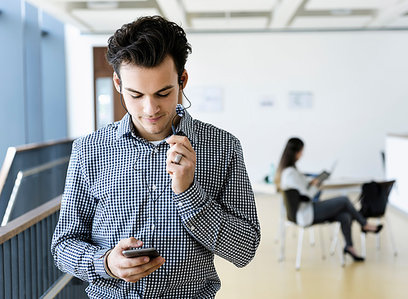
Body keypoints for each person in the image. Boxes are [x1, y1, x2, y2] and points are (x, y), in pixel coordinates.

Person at [51, 16, 260, 298]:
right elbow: (63, 245)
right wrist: (106, 263)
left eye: (163, 93)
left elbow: (245, 249)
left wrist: (189, 194)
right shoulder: (89, 150)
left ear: (182, 80)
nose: (150, 109)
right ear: (117, 83)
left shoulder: (223, 147)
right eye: (136, 95)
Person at [274, 137, 382, 261]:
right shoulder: (290, 173)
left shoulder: (290, 171)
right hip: (305, 213)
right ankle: (364, 224)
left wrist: (311, 182)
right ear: (295, 152)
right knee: (344, 200)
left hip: (307, 210)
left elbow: (301, 188)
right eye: (301, 151)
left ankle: (349, 247)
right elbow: (308, 195)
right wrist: (317, 185)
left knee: (345, 215)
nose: (302, 154)